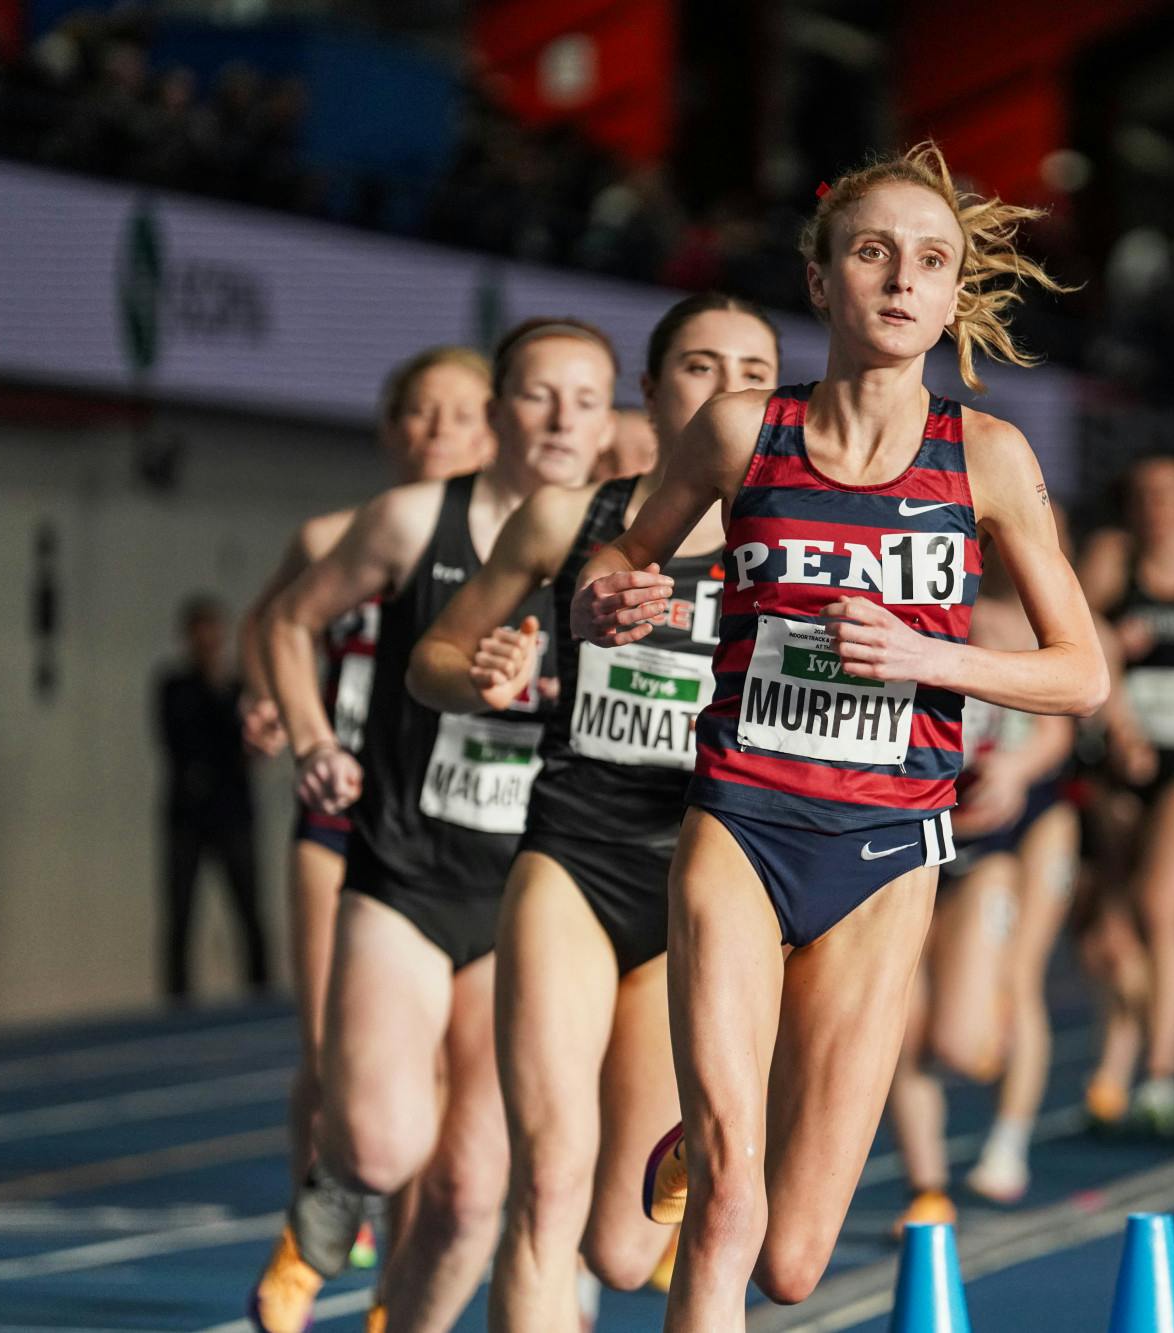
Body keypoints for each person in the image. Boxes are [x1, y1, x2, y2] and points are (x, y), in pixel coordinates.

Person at [571, 142, 1105, 1329]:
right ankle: (718, 1140)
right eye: (873, 252)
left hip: (884, 849)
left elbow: (1082, 673)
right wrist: (601, 599)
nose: (902, 279)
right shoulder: (739, 432)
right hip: (740, 820)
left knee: (796, 1260)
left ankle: (714, 1129)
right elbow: (619, 556)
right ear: (820, 280)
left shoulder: (986, 456)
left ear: (951, 293)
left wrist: (928, 658)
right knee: (726, 1208)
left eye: (930, 261)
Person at [408, 293, 780, 1330]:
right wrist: (476, 678)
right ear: (651, 394)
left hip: (701, 880)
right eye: (701, 367)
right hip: (572, 854)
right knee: (549, 1180)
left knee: (621, 1243)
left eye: (755, 374)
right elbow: (431, 659)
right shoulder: (568, 519)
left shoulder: (784, 542)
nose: (728, 391)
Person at [252, 318, 614, 1333]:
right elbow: (286, 618)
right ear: (498, 413)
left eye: (586, 401)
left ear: (608, 423)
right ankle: (334, 1176)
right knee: (380, 1144)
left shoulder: (632, 544)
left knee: (465, 1198)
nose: (561, 420)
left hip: (534, 891)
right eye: (539, 396)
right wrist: (312, 738)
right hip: (404, 872)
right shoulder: (414, 521)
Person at [239, 346, 496, 1317]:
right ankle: (319, 1216)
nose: (439, 431)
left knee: (436, 1081)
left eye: (461, 414)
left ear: (494, 430)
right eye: (420, 412)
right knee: (328, 1045)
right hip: (342, 810)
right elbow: (271, 626)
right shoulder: (329, 535)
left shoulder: (514, 545)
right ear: (390, 428)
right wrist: (273, 707)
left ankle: (398, 1285)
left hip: (447, 823)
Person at [886, 538, 1079, 1228]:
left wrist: (1017, 769)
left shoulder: (1008, 623)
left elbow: (1067, 707)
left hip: (993, 842)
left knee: (968, 1040)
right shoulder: (888, 612)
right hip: (905, 847)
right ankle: (927, 1188)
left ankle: (1008, 1135)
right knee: (898, 1024)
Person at [1079, 453, 1174, 1135]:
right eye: (1146, 495)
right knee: (1111, 936)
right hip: (1124, 765)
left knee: (1161, 904)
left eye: (1172, 494)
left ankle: (1161, 1075)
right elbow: (1077, 631)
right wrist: (1118, 723)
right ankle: (1118, 1060)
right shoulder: (1112, 562)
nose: (1159, 508)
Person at [155, 595, 269, 1004]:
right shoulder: (174, 687)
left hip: (233, 814)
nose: (207, 640)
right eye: (199, 632)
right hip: (187, 817)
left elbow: (248, 748)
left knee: (249, 909)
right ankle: (177, 1002)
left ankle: (261, 994)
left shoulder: (238, 689)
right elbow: (177, 741)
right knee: (180, 914)